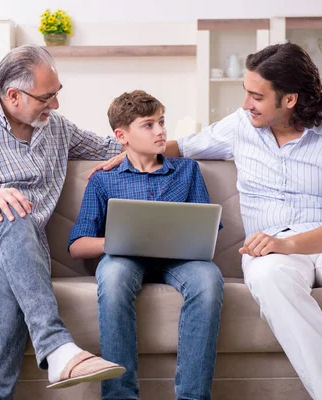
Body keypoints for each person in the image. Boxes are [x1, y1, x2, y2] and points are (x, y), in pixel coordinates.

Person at [92, 43, 322, 400]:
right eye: (246, 93)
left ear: (289, 99)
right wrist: (126, 153)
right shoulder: (240, 126)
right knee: (269, 276)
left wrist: (289, 243)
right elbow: (183, 146)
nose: (246, 104)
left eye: (256, 96)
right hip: (269, 252)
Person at [0, 44, 128, 400]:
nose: (55, 105)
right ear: (13, 95)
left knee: (0, 271)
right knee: (14, 208)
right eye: (47, 97)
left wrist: (178, 144)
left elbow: (114, 146)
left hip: (12, 251)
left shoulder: (57, 129)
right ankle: (57, 347)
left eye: (57, 94)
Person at [69, 90, 224, 400]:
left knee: (209, 279)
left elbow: (207, 228)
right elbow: (77, 246)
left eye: (162, 122)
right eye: (149, 125)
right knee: (112, 276)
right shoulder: (104, 180)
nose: (161, 131)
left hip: (181, 259)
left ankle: (193, 396)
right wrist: (120, 241)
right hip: (125, 258)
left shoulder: (187, 171)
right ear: (121, 135)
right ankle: (119, 395)